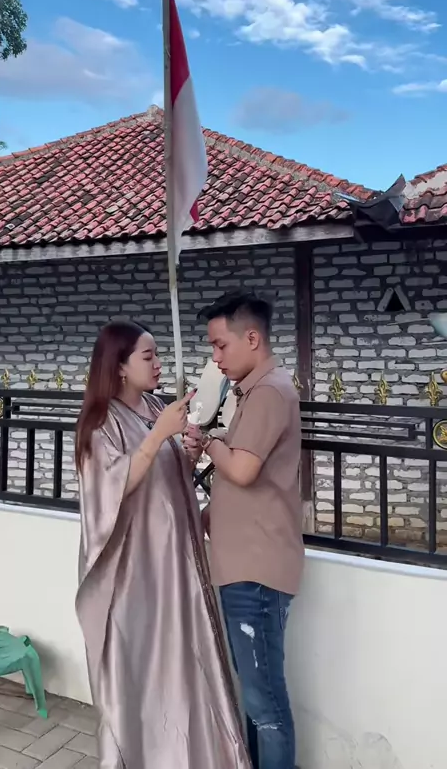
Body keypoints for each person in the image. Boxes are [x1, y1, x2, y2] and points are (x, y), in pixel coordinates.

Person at [75, 320, 251, 769]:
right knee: (148, 668)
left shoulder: (156, 407)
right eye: (147, 356)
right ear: (119, 366)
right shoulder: (101, 422)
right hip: (139, 571)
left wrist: (186, 453)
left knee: (188, 663)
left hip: (179, 564)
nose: (157, 364)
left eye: (157, 355)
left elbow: (167, 478)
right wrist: (158, 437)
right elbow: (110, 489)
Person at [184, 289, 304, 769]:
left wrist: (208, 441)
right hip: (245, 565)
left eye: (220, 345)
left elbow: (244, 469)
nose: (215, 358)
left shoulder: (269, 391)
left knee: (264, 704)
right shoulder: (252, 391)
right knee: (256, 700)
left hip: (257, 572)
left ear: (251, 338)